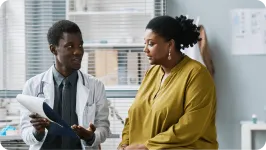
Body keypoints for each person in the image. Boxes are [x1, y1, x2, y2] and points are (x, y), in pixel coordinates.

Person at [118, 15, 218, 150]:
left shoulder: (197, 74)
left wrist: (146, 147)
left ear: (170, 45)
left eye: (151, 43)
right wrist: (124, 144)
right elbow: (133, 115)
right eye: (145, 43)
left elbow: (191, 126)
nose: (145, 49)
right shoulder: (151, 73)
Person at [19, 20, 110, 150]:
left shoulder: (96, 86)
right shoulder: (32, 86)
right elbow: (25, 132)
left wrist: (90, 136)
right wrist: (37, 132)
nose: (78, 52)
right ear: (53, 49)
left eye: (80, 45)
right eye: (70, 46)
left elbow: (103, 127)